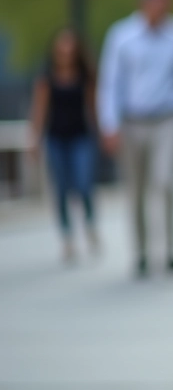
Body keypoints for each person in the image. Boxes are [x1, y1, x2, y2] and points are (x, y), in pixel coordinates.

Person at [97, 0, 173, 278]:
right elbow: (111, 83)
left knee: (166, 181)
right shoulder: (122, 36)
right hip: (132, 120)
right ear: (144, 1)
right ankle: (141, 251)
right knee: (135, 189)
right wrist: (110, 123)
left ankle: (170, 249)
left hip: (168, 118)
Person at [28, 28, 100, 263]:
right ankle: (67, 237)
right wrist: (35, 139)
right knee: (60, 188)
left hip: (81, 136)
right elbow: (39, 110)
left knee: (83, 182)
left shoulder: (84, 76)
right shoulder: (47, 76)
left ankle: (90, 224)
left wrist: (101, 133)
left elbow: (93, 107)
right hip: (56, 138)